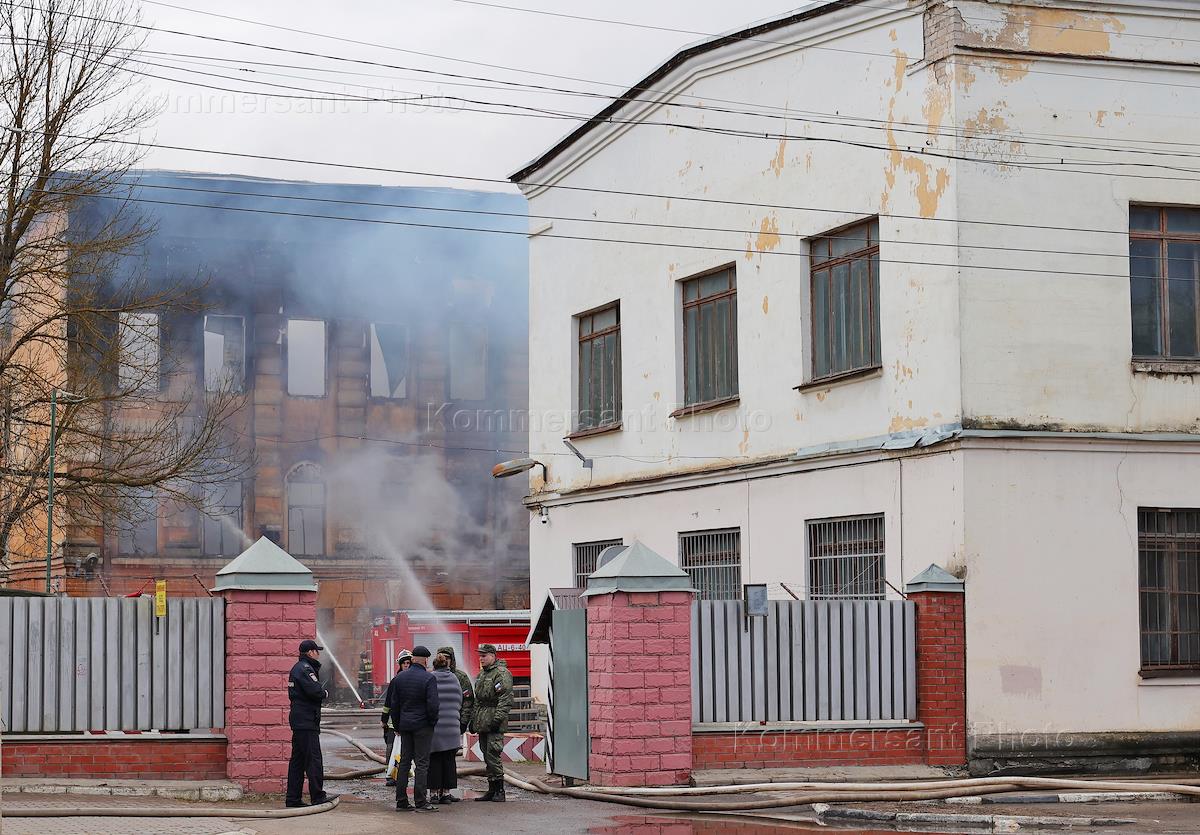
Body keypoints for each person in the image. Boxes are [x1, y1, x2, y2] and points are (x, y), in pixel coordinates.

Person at [385, 645, 439, 812]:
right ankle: (421, 801)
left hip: (405, 726)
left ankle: (401, 801)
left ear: (413, 659)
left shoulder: (400, 678)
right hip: (423, 726)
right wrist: (432, 722)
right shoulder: (429, 678)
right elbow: (433, 705)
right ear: (426, 660)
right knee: (422, 764)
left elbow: (394, 705)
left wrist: (397, 725)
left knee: (404, 762)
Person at [285, 639, 335, 808]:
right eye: (316, 651)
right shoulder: (305, 669)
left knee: (298, 761)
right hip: (307, 721)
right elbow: (315, 691)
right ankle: (318, 796)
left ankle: (293, 798)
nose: (318, 654)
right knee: (313, 760)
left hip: (299, 720)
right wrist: (325, 693)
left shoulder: (297, 668)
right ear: (310, 652)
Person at [470, 643, 513, 802]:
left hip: (494, 720)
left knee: (493, 754)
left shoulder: (501, 673)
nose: (481, 659)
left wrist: (497, 720)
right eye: (480, 656)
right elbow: (478, 700)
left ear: (493, 656)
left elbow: (505, 700)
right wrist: (473, 720)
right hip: (483, 721)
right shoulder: (482, 674)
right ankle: (491, 789)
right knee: (486, 754)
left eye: (484, 656)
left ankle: (499, 790)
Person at [429, 652, 464, 804]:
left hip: (436, 728)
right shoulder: (454, 678)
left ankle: (434, 794)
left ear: (434, 666)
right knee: (449, 761)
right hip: (452, 727)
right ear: (447, 665)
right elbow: (460, 700)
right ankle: (446, 793)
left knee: (434, 760)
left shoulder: (430, 678)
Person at [380, 649, 412, 787]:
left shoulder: (413, 680)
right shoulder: (395, 681)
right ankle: (391, 775)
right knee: (391, 748)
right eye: (404, 663)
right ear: (400, 664)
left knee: (408, 750)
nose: (406, 665)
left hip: (408, 722)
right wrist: (384, 719)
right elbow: (388, 702)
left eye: (408, 663)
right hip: (394, 723)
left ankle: (405, 774)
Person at [436, 645, 475, 733]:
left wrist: (463, 722)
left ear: (452, 660)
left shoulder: (461, 677)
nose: (445, 660)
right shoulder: (432, 676)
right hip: (437, 722)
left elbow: (468, 701)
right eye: (442, 658)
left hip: (455, 721)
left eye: (447, 658)